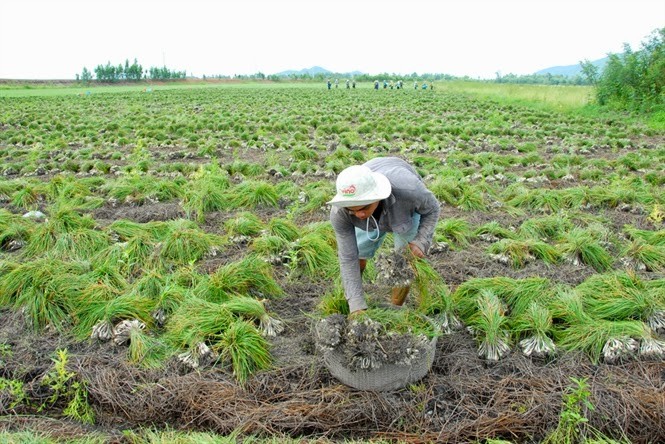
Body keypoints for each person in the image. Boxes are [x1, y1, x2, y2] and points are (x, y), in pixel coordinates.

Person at [328, 157, 441, 316]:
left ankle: (395, 309)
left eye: (364, 207)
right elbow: (348, 257)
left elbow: (433, 209)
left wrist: (420, 242)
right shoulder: (340, 212)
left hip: (402, 211)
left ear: (377, 195)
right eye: (352, 209)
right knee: (358, 255)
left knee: (405, 264)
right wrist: (356, 306)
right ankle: (355, 300)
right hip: (372, 213)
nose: (359, 214)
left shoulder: (410, 190)